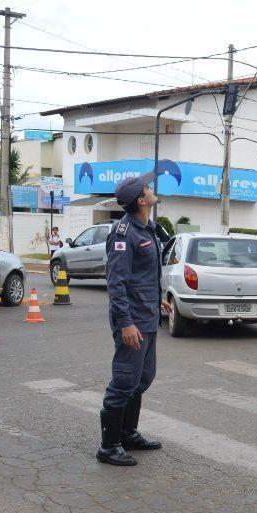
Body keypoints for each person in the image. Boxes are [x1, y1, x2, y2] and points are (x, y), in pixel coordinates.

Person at [97, 173, 172, 467]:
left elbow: (143, 275)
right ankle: (109, 445)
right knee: (124, 381)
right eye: (148, 188)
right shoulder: (124, 233)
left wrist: (157, 299)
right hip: (133, 321)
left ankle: (128, 433)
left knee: (143, 378)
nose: (152, 190)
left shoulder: (148, 227)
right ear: (141, 200)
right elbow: (117, 283)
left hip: (149, 315)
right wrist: (125, 323)